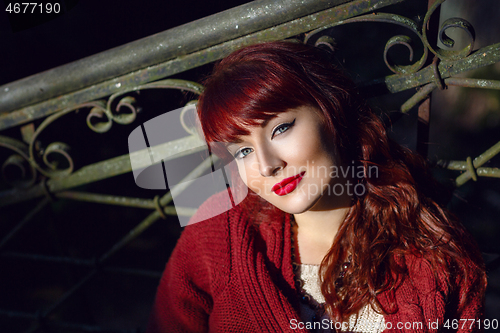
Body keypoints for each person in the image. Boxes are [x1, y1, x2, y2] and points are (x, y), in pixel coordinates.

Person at [146, 41, 487, 333]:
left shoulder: (437, 255)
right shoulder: (220, 232)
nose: (267, 165)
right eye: (244, 151)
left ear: (330, 111)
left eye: (280, 129)